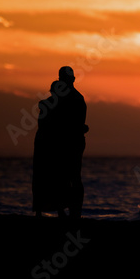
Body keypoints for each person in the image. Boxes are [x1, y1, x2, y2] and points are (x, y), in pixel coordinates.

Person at [32, 81, 69, 218]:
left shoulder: (51, 105)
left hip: (48, 144)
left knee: (50, 177)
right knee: (51, 177)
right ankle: (46, 210)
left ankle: (48, 210)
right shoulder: (56, 106)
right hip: (48, 144)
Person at [57, 66, 88, 219]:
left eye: (65, 79)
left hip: (72, 142)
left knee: (72, 176)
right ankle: (66, 211)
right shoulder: (65, 98)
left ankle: (74, 212)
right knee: (64, 176)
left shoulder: (75, 98)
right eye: (61, 79)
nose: (63, 82)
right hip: (67, 141)